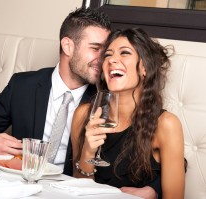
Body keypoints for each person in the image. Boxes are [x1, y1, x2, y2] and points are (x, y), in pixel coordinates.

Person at [0, 7, 111, 175]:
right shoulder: (22, 86)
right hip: (20, 181)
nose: (102, 59)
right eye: (95, 49)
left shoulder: (105, 99)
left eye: (106, 51)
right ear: (67, 46)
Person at [71, 28, 185, 199]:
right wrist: (87, 152)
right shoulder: (83, 115)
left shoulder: (166, 124)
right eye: (108, 55)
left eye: (124, 53)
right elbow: (78, 190)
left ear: (144, 67)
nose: (112, 60)